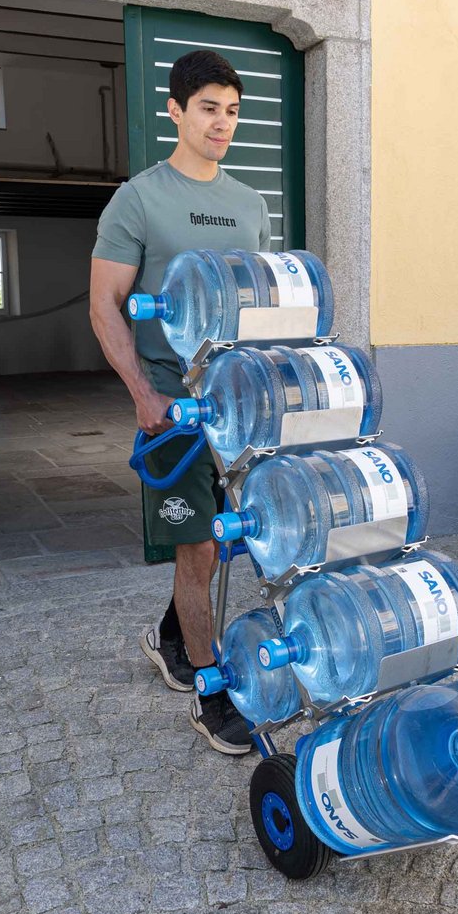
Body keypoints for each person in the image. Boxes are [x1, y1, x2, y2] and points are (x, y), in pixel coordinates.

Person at [90, 49, 270, 754]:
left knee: (219, 541)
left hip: (239, 406)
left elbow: (260, 304)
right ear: (175, 111)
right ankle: (211, 692)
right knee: (195, 547)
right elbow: (104, 305)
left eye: (232, 111)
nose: (222, 123)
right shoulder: (139, 199)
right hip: (174, 410)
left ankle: (169, 635)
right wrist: (143, 392)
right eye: (208, 108)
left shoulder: (251, 204)